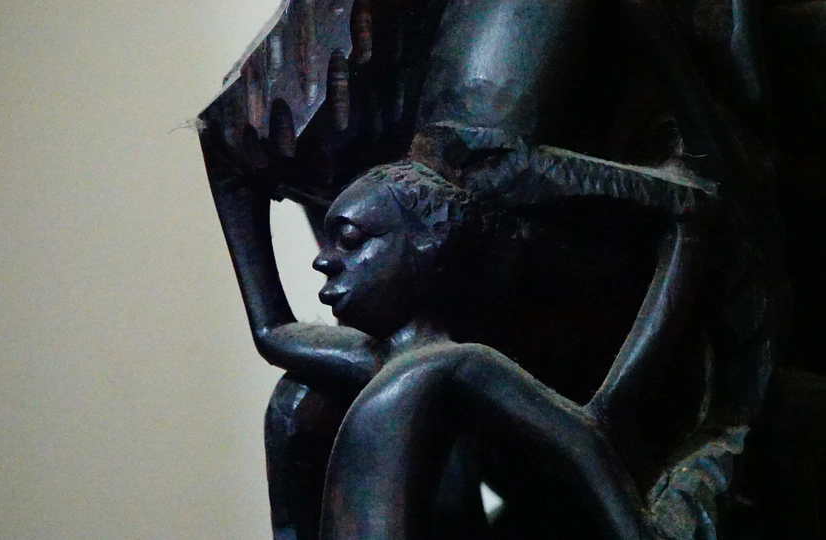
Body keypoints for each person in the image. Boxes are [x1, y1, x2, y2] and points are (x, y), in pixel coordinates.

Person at [207, 155, 652, 539]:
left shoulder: (461, 363)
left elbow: (583, 443)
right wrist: (229, 177)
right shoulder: (374, 359)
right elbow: (271, 331)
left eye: (350, 239)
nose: (323, 260)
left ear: (429, 243)